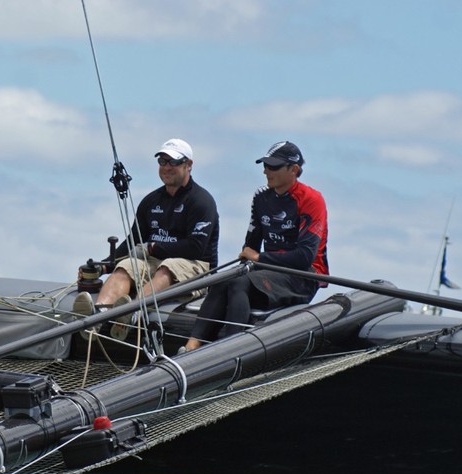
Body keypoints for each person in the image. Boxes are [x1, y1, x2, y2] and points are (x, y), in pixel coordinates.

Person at [182, 141, 328, 352]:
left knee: (239, 284)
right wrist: (253, 259)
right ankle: (190, 347)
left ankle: (230, 350)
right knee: (223, 281)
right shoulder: (261, 197)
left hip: (304, 275)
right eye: (266, 165)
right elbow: (249, 247)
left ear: (294, 170)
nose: (266, 171)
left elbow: (304, 257)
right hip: (269, 271)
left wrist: (259, 258)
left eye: (274, 167)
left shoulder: (312, 200)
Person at [72, 138, 219, 341]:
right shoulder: (151, 201)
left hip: (196, 266)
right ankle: (98, 316)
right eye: (162, 162)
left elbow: (195, 248)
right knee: (125, 266)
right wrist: (103, 267)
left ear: (189, 165)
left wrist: (153, 248)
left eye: (173, 162)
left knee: (168, 266)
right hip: (155, 261)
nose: (167, 167)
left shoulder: (202, 201)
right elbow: (133, 240)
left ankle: (132, 313)